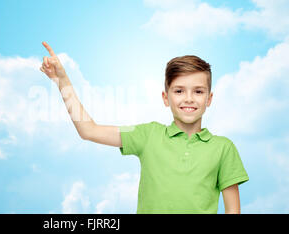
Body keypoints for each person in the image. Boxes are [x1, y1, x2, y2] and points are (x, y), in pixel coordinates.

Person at [39, 41, 249, 214]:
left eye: (198, 91)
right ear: (165, 98)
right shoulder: (147, 135)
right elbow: (89, 130)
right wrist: (62, 81)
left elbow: (233, 211)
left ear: (209, 98)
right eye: (179, 91)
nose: (188, 98)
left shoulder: (223, 148)